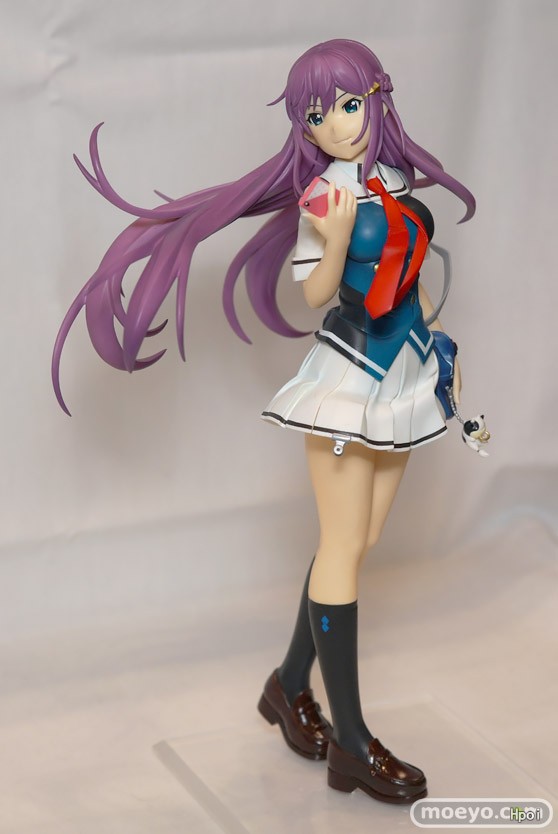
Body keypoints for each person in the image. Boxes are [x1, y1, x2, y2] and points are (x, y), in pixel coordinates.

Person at [52, 39, 475, 804]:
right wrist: (335, 237)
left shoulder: (394, 179)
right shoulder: (325, 198)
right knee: (343, 546)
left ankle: (286, 684)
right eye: (317, 115)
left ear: (378, 98)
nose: (336, 125)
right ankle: (351, 743)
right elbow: (313, 293)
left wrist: (439, 341)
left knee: (359, 541)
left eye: (348, 105)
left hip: (408, 370)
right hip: (349, 379)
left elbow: (410, 274)